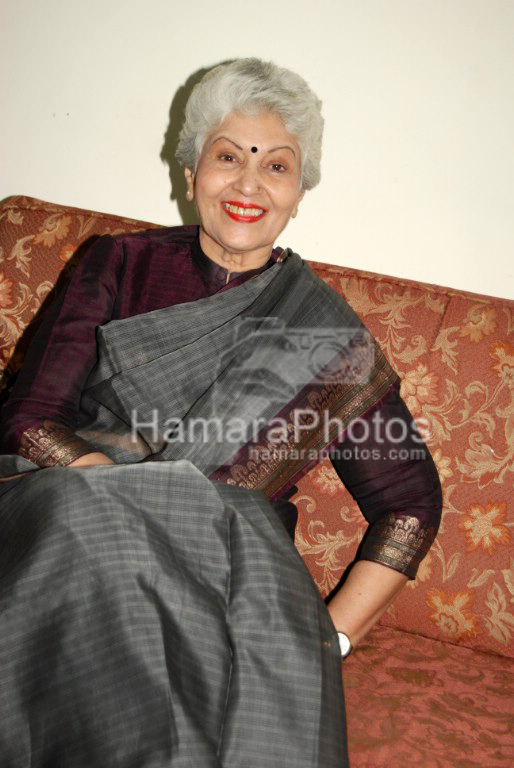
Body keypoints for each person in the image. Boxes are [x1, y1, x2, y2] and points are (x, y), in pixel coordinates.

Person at [0, 59, 441, 767]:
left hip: (227, 561)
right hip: (75, 525)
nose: (248, 183)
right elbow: (29, 418)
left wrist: (332, 639)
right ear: (190, 174)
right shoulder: (118, 265)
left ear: (299, 193)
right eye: (229, 156)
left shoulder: (326, 335)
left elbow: (412, 505)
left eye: (277, 166)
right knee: (93, 527)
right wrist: (134, 508)